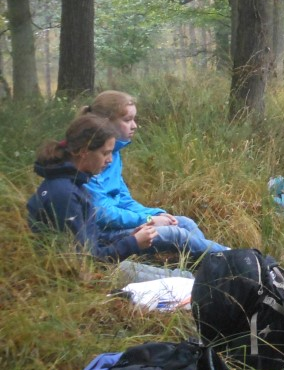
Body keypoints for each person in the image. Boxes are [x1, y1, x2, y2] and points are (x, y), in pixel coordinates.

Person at [82, 91, 228, 258]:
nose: (135, 125)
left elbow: (123, 198)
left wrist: (156, 213)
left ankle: (211, 266)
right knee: (174, 234)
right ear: (106, 123)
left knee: (186, 223)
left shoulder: (114, 154)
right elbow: (102, 213)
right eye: (128, 120)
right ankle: (232, 258)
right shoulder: (91, 157)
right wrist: (148, 219)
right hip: (102, 234)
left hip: (117, 225)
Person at [28, 114, 158, 261]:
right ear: (84, 152)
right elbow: (86, 261)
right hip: (86, 279)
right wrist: (132, 243)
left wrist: (130, 236)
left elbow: (91, 240)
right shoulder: (65, 195)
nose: (110, 160)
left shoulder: (74, 183)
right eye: (105, 153)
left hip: (98, 268)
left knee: (182, 277)